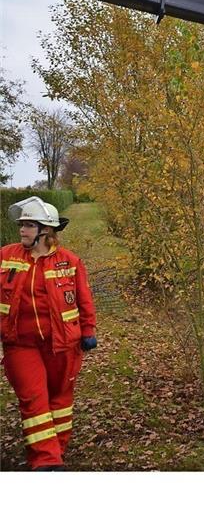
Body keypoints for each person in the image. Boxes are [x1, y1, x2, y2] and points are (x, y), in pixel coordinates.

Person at [1, 196, 97, 471]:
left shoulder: (70, 262)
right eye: (22, 224)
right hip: (20, 344)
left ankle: (56, 450)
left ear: (46, 230)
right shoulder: (6, 256)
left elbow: (84, 300)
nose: (22, 230)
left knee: (60, 400)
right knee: (34, 398)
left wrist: (88, 329)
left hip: (63, 344)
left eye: (29, 225)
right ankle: (46, 462)